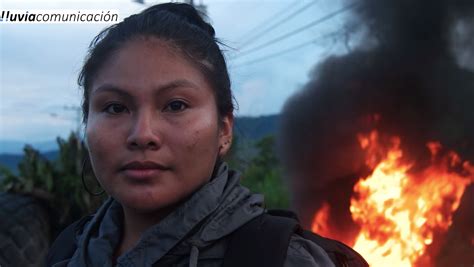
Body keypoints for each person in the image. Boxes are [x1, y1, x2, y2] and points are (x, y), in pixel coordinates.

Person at [46, 3, 358, 267]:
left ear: (224, 129)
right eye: (115, 108)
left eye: (176, 105)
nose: (143, 134)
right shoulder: (67, 250)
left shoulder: (283, 258)